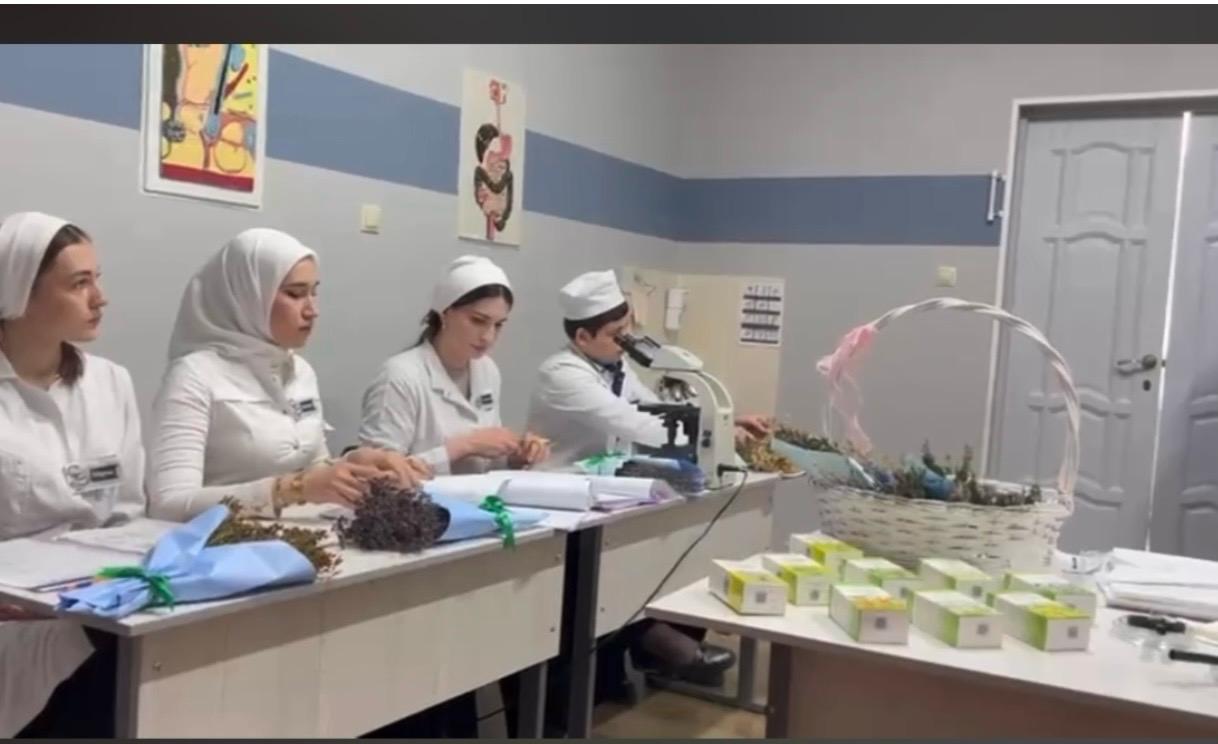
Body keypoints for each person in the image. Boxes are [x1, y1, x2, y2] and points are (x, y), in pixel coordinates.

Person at [525, 269, 772, 701]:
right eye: (615, 334)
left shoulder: (615, 365)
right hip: (563, 502)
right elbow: (635, 424)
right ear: (582, 336)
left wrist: (726, 418)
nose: (626, 342)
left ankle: (650, 643)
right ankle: (643, 642)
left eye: (628, 330)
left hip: (611, 493)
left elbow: (656, 408)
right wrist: (715, 432)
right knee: (607, 584)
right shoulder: (562, 373)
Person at [147, 228, 427, 523]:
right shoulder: (194, 376)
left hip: (296, 534)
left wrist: (354, 464)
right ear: (249, 297)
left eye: (314, 292)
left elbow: (313, 469)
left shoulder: (299, 370)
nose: (312, 310)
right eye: (295, 294)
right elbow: (169, 504)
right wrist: (290, 490)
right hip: (219, 542)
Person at [0, 212, 143, 737]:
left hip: (100, 604)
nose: (99, 298)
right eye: (80, 283)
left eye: (96, 279)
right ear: (19, 293)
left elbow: (129, 514)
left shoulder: (110, 383)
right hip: (13, 615)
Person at [359, 255, 548, 474]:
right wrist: (462, 447)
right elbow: (377, 474)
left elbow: (484, 463)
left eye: (498, 325)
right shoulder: (399, 377)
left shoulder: (486, 370)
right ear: (445, 313)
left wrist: (514, 455)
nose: (488, 337)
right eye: (478, 321)